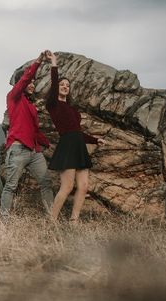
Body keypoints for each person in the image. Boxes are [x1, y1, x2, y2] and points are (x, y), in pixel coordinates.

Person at [45, 50, 105, 223]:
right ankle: (51, 221)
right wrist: (54, 62)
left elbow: (76, 131)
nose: (65, 86)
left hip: (79, 145)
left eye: (67, 86)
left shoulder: (71, 109)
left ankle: (74, 221)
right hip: (67, 147)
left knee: (84, 186)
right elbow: (54, 83)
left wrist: (95, 140)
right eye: (62, 84)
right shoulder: (53, 104)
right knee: (67, 186)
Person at [0, 51, 54, 221]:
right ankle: (4, 220)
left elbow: (35, 131)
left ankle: (52, 218)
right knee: (11, 186)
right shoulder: (14, 97)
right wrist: (38, 61)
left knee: (46, 182)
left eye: (33, 83)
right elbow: (24, 80)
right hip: (17, 149)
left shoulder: (30, 106)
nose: (32, 85)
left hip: (34, 152)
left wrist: (47, 144)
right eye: (30, 82)